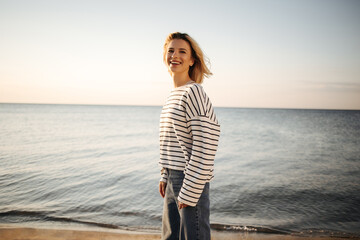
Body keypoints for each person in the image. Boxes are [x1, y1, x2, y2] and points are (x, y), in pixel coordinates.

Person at [158, 32, 220, 240]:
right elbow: (171, 141)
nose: (175, 55)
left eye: (182, 51)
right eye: (171, 51)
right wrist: (165, 175)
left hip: (190, 180)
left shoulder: (193, 92)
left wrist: (190, 189)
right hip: (173, 180)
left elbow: (206, 145)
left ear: (192, 60)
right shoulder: (172, 95)